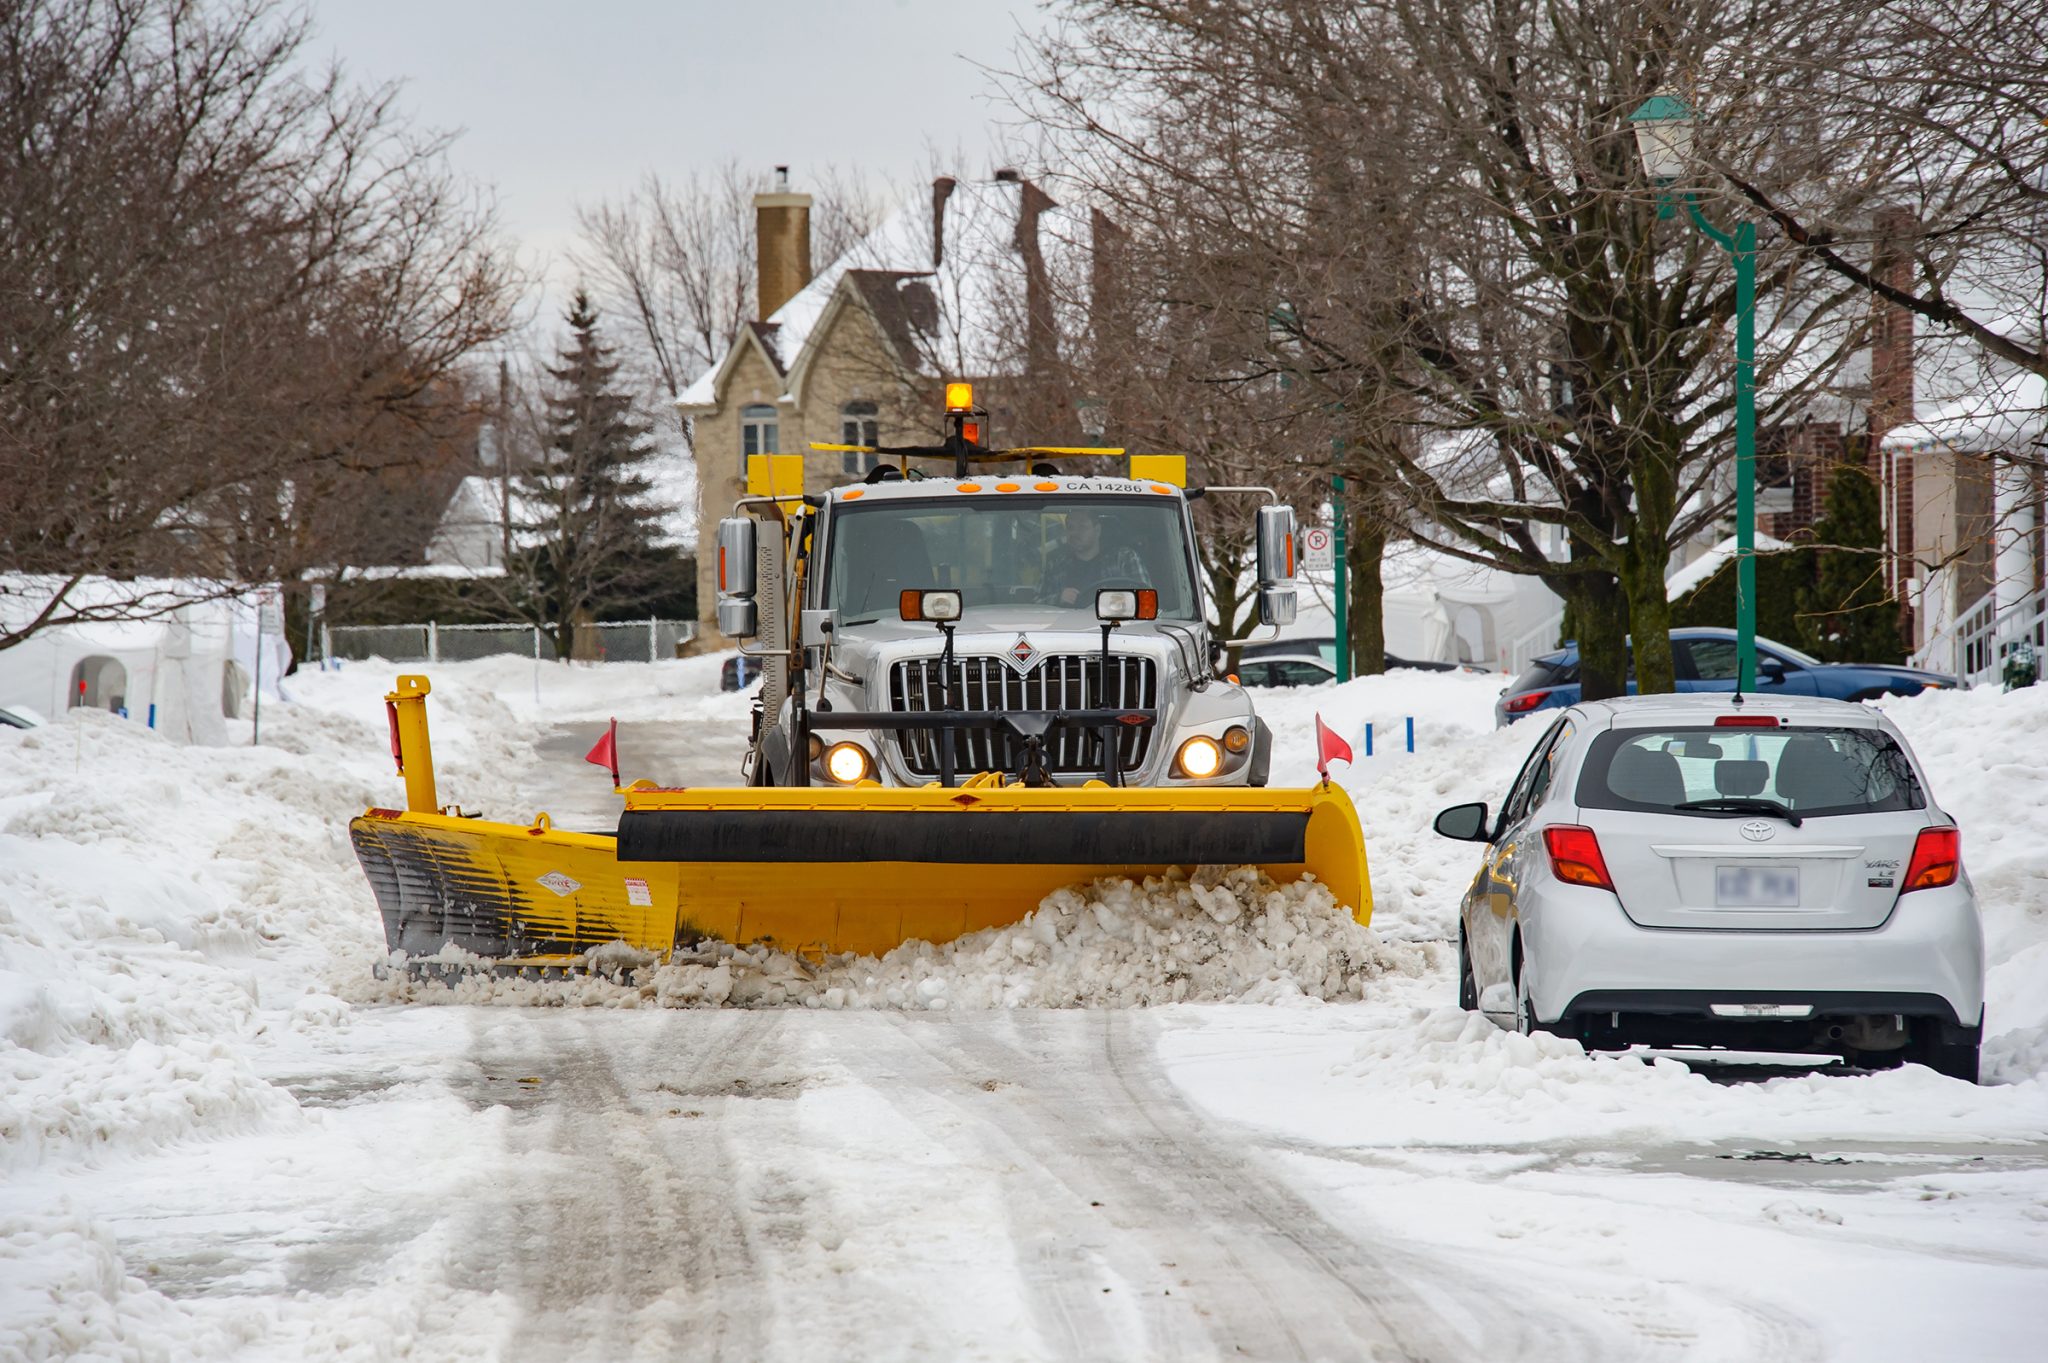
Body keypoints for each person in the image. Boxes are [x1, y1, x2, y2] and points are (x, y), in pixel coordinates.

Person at [1040, 506, 1149, 607]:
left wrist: (1107, 601)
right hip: (1063, 627)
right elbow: (1034, 604)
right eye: (1070, 527)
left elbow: (1145, 600)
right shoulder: (1055, 566)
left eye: (1082, 526)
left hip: (1116, 626)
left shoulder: (1124, 558)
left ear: (1097, 530)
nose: (1074, 533)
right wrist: (1059, 598)